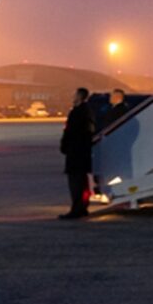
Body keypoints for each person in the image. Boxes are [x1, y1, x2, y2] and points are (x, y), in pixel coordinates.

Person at [59, 88, 96, 220]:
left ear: (79, 97)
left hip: (76, 152)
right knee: (82, 181)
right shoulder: (87, 111)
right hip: (82, 151)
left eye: (74, 94)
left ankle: (77, 208)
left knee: (76, 182)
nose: (72, 96)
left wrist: (65, 145)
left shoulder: (78, 112)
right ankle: (82, 206)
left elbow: (71, 132)